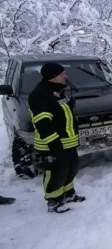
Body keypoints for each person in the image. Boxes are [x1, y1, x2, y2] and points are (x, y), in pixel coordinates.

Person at [28, 63, 85, 213]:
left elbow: (61, 113)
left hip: (68, 141)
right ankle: (54, 201)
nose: (66, 76)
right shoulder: (39, 95)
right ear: (53, 76)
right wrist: (54, 143)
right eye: (62, 74)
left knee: (70, 168)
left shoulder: (58, 91)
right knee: (55, 172)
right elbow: (42, 122)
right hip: (53, 144)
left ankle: (68, 195)